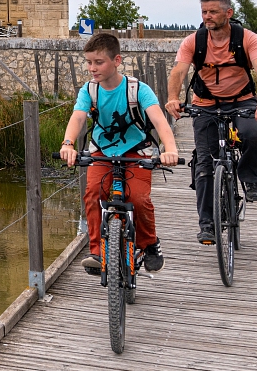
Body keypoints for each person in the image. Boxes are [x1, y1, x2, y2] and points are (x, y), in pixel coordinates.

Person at [59, 32, 180, 275]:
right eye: (89, 62)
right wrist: (67, 144)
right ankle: (97, 252)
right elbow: (78, 116)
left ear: (117, 60)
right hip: (102, 151)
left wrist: (171, 149)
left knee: (137, 198)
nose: (92, 68)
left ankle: (150, 245)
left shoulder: (138, 90)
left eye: (99, 62)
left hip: (136, 151)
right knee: (94, 194)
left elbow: (159, 120)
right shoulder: (89, 90)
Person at [164, 0, 257, 245]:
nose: (207, 17)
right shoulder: (195, 41)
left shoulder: (247, 39)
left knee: (251, 135)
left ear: (229, 13)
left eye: (213, 12)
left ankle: (251, 179)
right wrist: (173, 97)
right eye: (204, 12)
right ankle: (207, 225)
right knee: (205, 163)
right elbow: (179, 71)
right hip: (205, 104)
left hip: (242, 100)